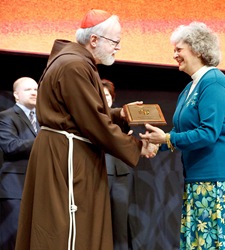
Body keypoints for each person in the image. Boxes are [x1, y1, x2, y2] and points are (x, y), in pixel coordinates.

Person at [15, 9, 158, 250]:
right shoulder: (74, 66)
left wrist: (120, 115)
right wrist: (137, 145)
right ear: (94, 40)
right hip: (67, 156)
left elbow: (80, 113)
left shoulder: (76, 62)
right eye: (115, 41)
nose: (118, 48)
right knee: (69, 229)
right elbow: (92, 122)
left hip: (67, 151)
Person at [139, 22, 225, 249]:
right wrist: (158, 143)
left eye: (179, 49)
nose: (174, 55)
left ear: (198, 50)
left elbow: (208, 133)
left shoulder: (213, 82)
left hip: (222, 176)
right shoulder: (190, 87)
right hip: (201, 175)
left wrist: (167, 140)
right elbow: (181, 132)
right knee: (203, 240)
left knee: (221, 240)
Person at [0, 77, 39, 250]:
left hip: (40, 187)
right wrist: (44, 141)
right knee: (14, 238)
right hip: (15, 188)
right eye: (28, 90)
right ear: (16, 95)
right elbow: (10, 145)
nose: (34, 93)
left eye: (36, 89)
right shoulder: (6, 117)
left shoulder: (45, 119)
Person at [102, 78, 139, 250]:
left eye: (108, 95)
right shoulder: (90, 116)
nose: (105, 98)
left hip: (120, 172)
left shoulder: (120, 116)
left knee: (120, 221)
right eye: (101, 95)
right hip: (99, 171)